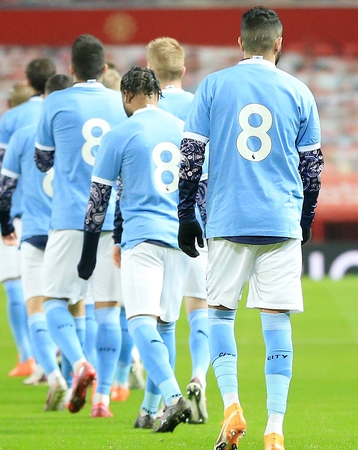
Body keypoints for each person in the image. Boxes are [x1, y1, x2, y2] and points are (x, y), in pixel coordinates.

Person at [176, 7, 323, 450]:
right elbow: (312, 169)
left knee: (220, 313)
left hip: (227, 218)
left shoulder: (214, 86)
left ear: (240, 43)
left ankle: (232, 406)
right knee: (277, 322)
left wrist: (186, 213)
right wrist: (305, 219)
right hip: (280, 220)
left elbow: (190, 155)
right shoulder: (299, 91)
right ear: (279, 44)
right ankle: (275, 428)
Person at [78, 67, 192, 432]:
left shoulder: (119, 134)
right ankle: (148, 410)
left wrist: (88, 252)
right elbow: (200, 188)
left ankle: (173, 398)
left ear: (126, 96)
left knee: (141, 322)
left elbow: (99, 199)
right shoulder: (182, 130)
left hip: (142, 238)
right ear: (158, 94)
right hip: (179, 239)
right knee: (167, 325)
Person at [35, 34, 127, 418]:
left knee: (54, 300)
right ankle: (103, 399)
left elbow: (42, 160)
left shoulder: (55, 102)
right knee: (108, 310)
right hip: (114, 219)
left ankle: (78, 363)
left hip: (70, 217)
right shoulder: (120, 103)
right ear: (104, 69)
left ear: (71, 68)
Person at [0, 73, 75, 409]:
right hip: (71, 230)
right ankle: (76, 374)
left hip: (35, 232)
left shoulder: (23, 135)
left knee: (36, 308)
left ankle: (53, 377)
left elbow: (3, 189)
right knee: (76, 308)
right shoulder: (79, 133)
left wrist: (4, 225)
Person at [147, 36, 210, 425]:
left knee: (158, 319)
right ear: (183, 70)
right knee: (199, 306)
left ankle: (158, 402)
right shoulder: (200, 105)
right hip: (199, 219)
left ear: (149, 71)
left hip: (155, 224)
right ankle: (199, 375)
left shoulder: (143, 111)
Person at [0, 62, 54, 381]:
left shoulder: (5, 124)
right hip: (63, 216)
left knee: (18, 288)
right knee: (67, 295)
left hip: (18, 215)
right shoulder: (63, 112)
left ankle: (30, 356)